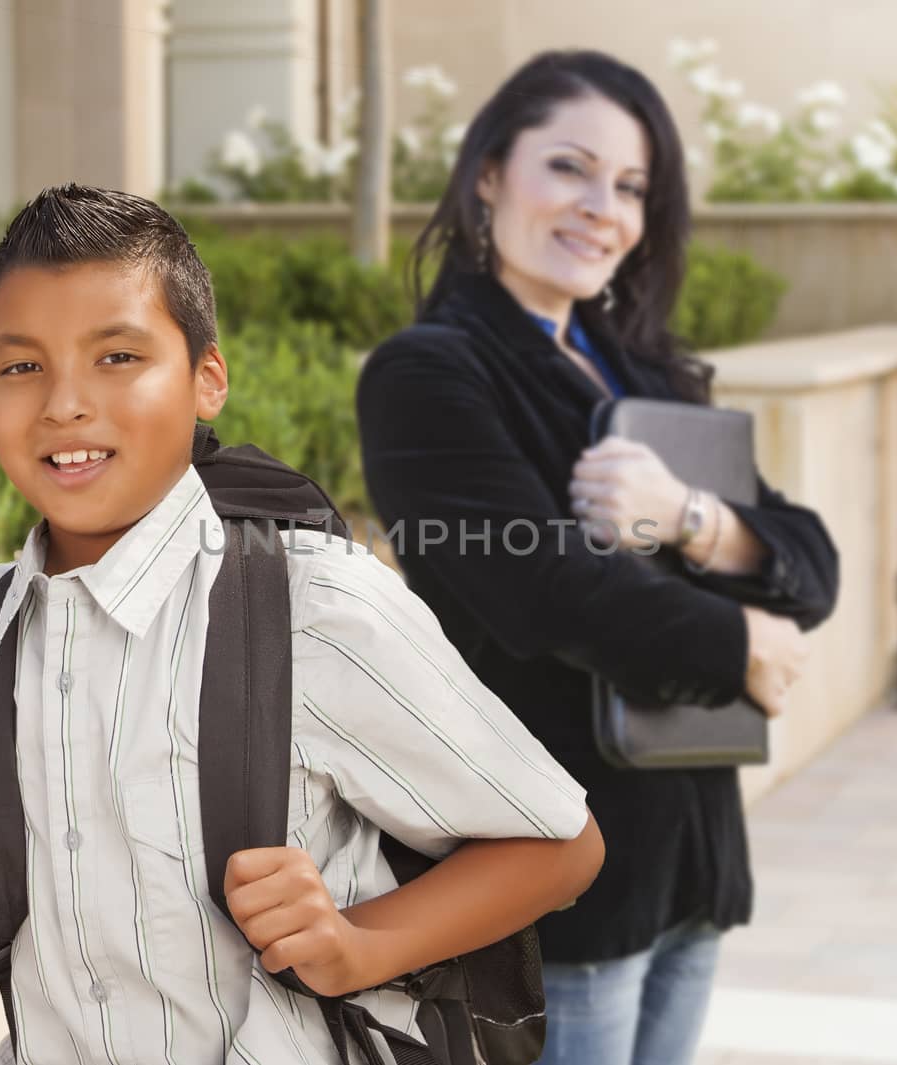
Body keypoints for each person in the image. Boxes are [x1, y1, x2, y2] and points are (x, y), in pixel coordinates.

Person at [0, 184, 604, 1065]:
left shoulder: (314, 609)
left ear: (207, 378)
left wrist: (361, 944)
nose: (63, 402)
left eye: (118, 356)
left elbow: (560, 843)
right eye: (20, 365)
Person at [356, 51, 839, 1065]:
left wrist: (692, 516)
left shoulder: (644, 369)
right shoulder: (429, 373)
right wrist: (740, 637)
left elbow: (810, 559)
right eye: (568, 169)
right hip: (560, 875)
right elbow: (541, 593)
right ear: (489, 174)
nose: (601, 210)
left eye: (630, 188)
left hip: (689, 855)